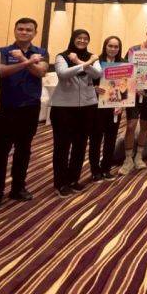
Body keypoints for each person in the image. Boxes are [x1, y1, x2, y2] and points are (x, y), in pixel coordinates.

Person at [0, 18, 48, 212]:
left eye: (29, 30)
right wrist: (28, 61)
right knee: (0, 152)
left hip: (29, 107)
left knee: (23, 149)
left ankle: (18, 188)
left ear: (35, 33)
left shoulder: (41, 52)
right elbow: (0, 72)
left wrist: (23, 60)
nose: (24, 32)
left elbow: (40, 72)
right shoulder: (2, 51)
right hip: (5, 107)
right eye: (20, 29)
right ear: (14, 30)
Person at [49, 29, 101, 197]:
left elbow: (97, 74)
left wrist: (79, 61)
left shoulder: (91, 56)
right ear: (73, 39)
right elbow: (63, 74)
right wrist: (87, 64)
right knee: (62, 146)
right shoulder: (62, 56)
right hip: (63, 107)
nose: (82, 41)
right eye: (79, 38)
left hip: (87, 106)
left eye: (86, 39)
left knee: (80, 144)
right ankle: (60, 182)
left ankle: (73, 179)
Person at [119, 26, 147, 174]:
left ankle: (138, 156)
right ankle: (128, 159)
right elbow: (125, 70)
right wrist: (134, 87)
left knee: (145, 125)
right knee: (131, 125)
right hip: (133, 92)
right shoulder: (133, 50)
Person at [90, 36, 123, 182]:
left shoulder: (123, 63)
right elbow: (87, 81)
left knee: (111, 138)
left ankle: (106, 168)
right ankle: (95, 170)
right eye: (110, 46)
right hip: (97, 106)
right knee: (96, 139)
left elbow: (126, 87)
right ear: (105, 46)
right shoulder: (96, 61)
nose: (113, 49)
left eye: (116, 47)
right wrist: (94, 88)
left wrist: (121, 105)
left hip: (115, 107)